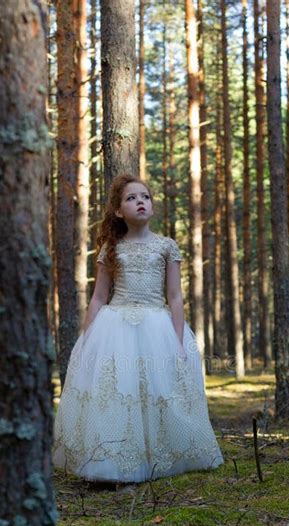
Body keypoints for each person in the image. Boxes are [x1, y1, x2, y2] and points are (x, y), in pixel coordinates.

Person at [52, 174, 224, 483]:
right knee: (117, 392)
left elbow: (174, 296)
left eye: (144, 196)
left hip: (157, 326)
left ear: (152, 206)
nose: (139, 202)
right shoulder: (111, 248)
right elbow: (99, 296)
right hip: (114, 327)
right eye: (131, 198)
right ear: (118, 211)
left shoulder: (166, 247)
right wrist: (88, 337)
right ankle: (112, 461)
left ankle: (156, 457)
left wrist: (176, 339)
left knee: (157, 392)